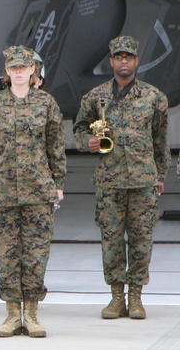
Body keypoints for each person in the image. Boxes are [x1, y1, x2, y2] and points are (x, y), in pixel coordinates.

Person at [72, 36, 169, 320]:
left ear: (137, 61)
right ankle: (116, 297)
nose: (124, 61)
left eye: (129, 56)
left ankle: (136, 296)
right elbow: (78, 129)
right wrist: (87, 142)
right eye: (118, 56)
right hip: (110, 182)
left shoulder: (154, 97)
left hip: (143, 182)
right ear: (111, 61)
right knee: (111, 241)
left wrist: (159, 175)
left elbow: (160, 140)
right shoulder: (95, 97)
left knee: (141, 240)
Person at [0, 46, 65, 338]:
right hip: (2, 192)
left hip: (38, 191)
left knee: (36, 254)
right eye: (12, 68)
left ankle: (33, 315)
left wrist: (58, 184)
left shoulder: (46, 103)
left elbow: (55, 146)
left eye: (23, 68)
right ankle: (13, 315)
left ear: (32, 71)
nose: (18, 72)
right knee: (6, 254)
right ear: (7, 72)